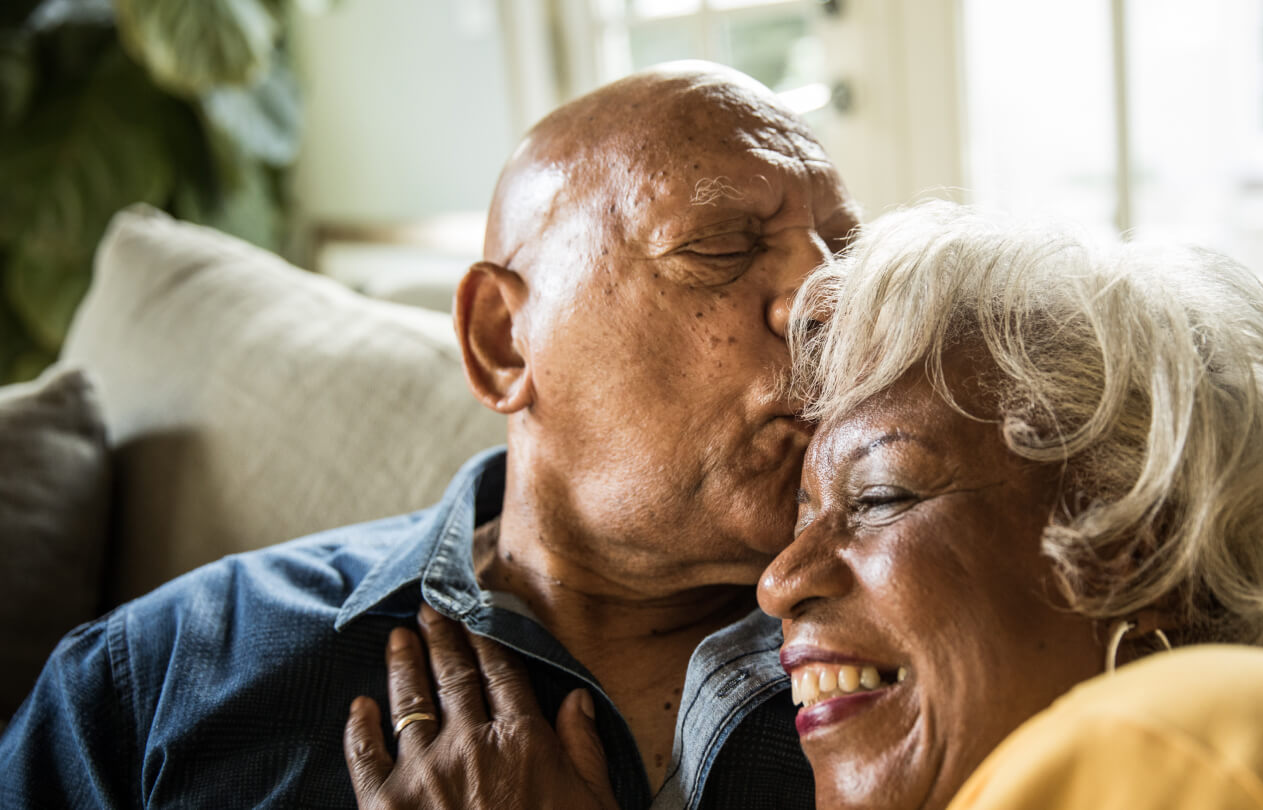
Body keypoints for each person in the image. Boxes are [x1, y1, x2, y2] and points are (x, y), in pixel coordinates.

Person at [345, 201, 1263, 809]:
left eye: (879, 495)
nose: (778, 581)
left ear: (1144, 546)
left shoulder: (1260, 759)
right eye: (802, 513)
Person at [0, 62, 859, 809]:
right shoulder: (160, 674)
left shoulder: (939, 673)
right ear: (499, 342)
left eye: (849, 258)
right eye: (718, 247)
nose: (825, 298)